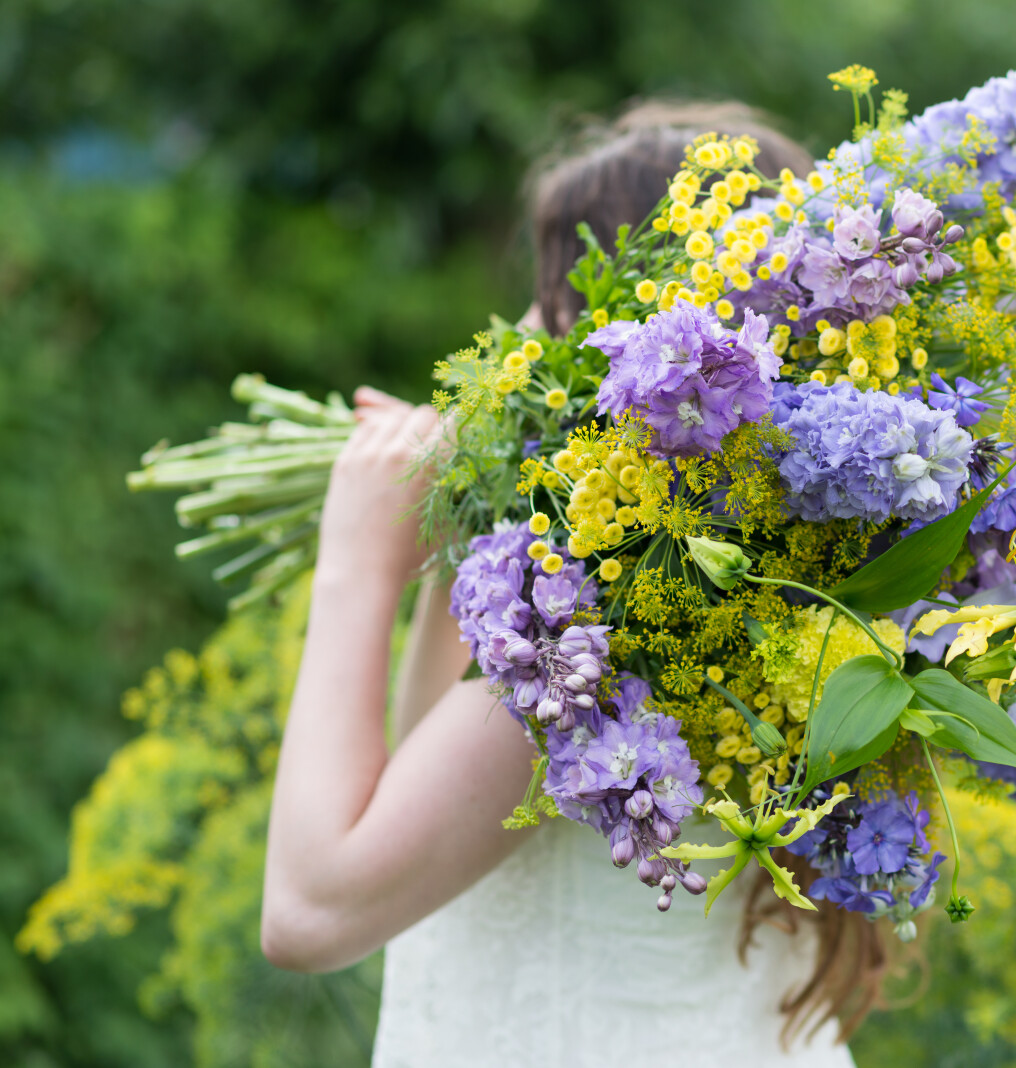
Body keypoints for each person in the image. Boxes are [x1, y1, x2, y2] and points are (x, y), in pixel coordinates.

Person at [261, 102, 887, 1067]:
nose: (515, 334)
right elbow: (430, 767)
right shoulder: (786, 587)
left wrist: (357, 558)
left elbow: (310, 912)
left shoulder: (615, 621)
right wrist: (457, 527)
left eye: (551, 300)